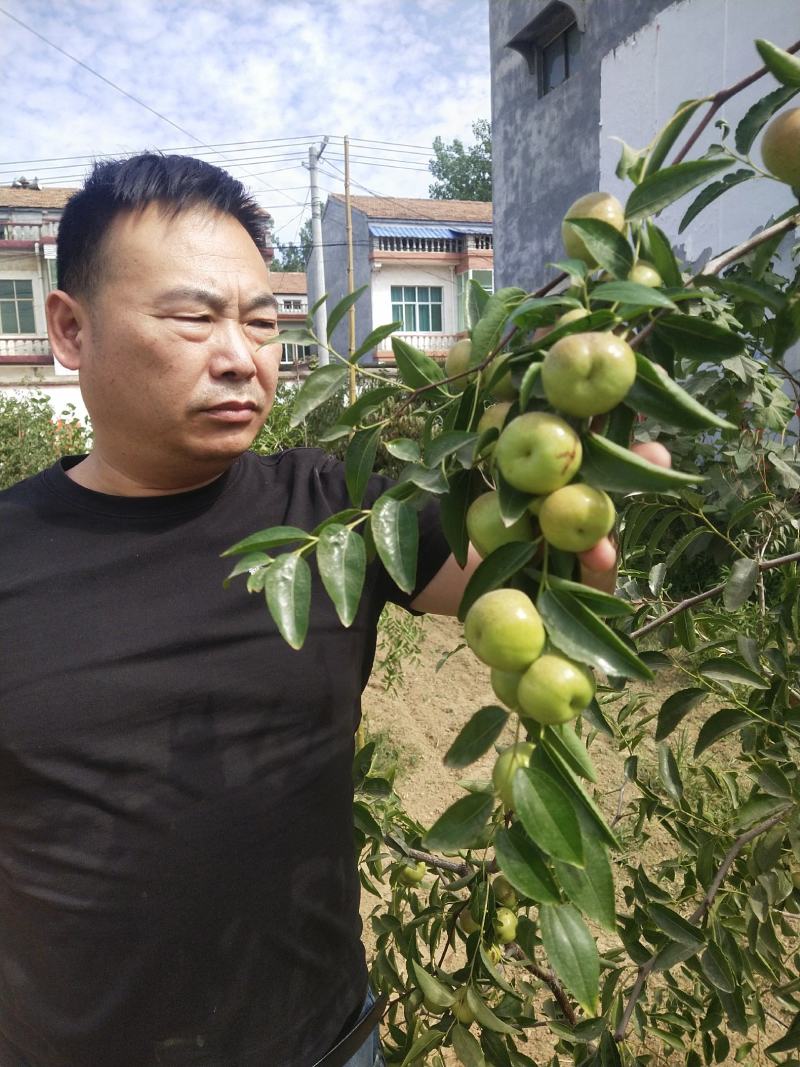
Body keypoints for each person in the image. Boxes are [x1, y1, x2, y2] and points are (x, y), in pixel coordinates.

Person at [0, 153, 644, 1067]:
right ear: (70, 329)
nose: (239, 355)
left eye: (262, 322)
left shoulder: (338, 507)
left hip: (325, 1047)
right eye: (192, 317)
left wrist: (580, 495)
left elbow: (527, 584)